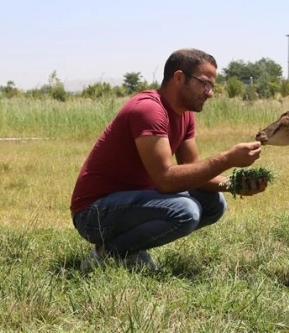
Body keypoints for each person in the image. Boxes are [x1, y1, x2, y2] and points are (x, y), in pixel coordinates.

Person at [70, 48, 267, 271]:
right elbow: (165, 180)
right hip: (94, 214)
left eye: (212, 86)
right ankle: (108, 254)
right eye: (204, 84)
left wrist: (234, 184)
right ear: (179, 78)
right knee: (185, 211)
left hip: (131, 203)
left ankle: (129, 249)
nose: (209, 93)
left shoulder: (185, 114)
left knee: (214, 204)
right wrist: (227, 159)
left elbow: (193, 172)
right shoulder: (148, 110)